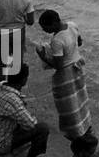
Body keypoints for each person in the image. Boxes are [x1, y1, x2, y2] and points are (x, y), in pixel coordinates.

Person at [35, 10, 92, 142]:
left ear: (54, 23)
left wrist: (43, 56)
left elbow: (58, 65)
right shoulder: (72, 25)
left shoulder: (57, 40)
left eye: (46, 28)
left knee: (69, 105)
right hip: (78, 67)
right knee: (81, 99)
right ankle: (86, 126)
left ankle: (75, 132)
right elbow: (79, 42)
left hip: (66, 74)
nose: (46, 31)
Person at [0, 65, 50, 157]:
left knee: (21, 118)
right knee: (42, 128)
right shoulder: (12, 100)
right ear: (24, 80)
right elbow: (31, 125)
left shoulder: (0, 86)